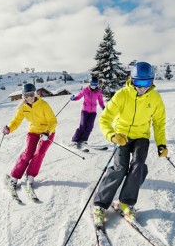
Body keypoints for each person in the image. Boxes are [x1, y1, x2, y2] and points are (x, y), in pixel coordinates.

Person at [92, 61, 168, 226]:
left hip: (141, 136)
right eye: (138, 83)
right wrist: (113, 136)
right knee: (120, 168)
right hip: (122, 136)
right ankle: (100, 204)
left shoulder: (155, 98)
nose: (142, 87)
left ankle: (126, 202)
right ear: (132, 80)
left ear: (152, 81)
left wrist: (161, 144)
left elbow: (159, 123)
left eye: (146, 83)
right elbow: (105, 119)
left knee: (138, 166)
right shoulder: (122, 95)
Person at [2, 83, 57, 195]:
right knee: (28, 153)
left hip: (47, 132)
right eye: (26, 95)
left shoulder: (43, 104)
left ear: (35, 93)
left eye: (31, 94)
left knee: (40, 152)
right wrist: (9, 128)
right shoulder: (23, 107)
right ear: (23, 96)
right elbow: (16, 121)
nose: (29, 98)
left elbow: (53, 121)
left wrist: (47, 132)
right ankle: (14, 177)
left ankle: (30, 176)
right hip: (33, 131)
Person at [70, 75, 105, 149]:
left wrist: (103, 107)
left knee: (90, 126)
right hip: (85, 110)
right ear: (90, 83)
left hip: (93, 112)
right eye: (92, 84)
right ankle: (75, 140)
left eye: (95, 85)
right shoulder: (85, 90)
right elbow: (79, 96)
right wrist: (73, 98)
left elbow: (101, 101)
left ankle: (83, 140)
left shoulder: (98, 92)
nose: (94, 86)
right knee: (82, 126)